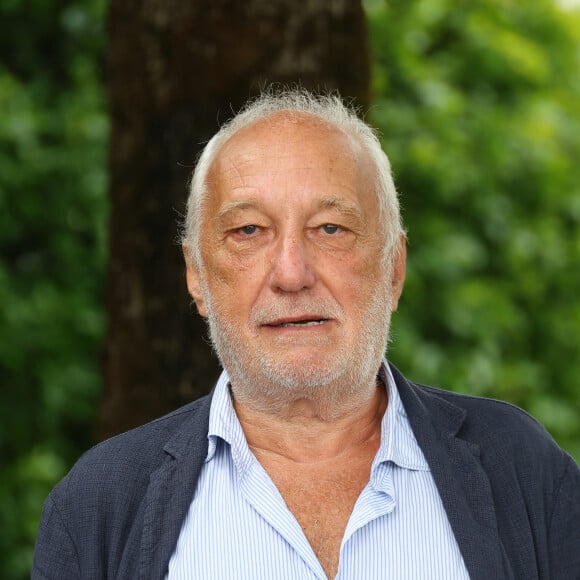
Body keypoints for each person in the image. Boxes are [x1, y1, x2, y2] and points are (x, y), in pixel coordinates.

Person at [33, 90, 580, 580]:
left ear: (393, 267)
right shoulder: (98, 504)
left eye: (330, 229)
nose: (292, 273)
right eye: (248, 230)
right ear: (196, 275)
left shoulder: (521, 467)